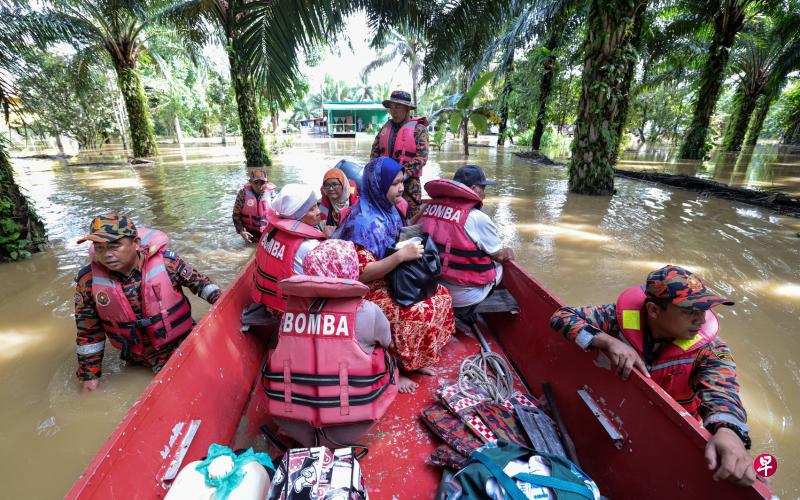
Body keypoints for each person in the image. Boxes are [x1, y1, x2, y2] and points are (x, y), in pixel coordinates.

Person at [549, 265, 756, 486]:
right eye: (689, 312)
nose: (702, 320)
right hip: (620, 411)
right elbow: (560, 317)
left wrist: (728, 430)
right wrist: (608, 341)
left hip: (668, 431)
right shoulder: (617, 318)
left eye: (703, 310)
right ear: (654, 310)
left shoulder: (711, 349)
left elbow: (722, 390)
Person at [333, 157, 455, 394]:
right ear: (378, 185)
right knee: (414, 312)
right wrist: (400, 257)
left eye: (402, 182)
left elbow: (396, 236)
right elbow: (362, 274)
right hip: (367, 290)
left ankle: (416, 360)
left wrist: (418, 219)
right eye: (395, 184)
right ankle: (393, 368)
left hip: (392, 277)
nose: (401, 188)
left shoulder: (390, 209)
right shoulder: (362, 222)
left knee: (441, 295)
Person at [264, 239, 398, 447]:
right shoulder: (368, 311)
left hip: (291, 423)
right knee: (384, 354)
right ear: (351, 269)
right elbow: (387, 342)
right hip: (351, 427)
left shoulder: (289, 310)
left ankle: (301, 431)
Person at [74, 214, 221, 391]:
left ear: (135, 243)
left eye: (114, 246)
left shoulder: (167, 263)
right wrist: (90, 377)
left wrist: (223, 305)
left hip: (183, 348)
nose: (107, 255)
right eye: (99, 248)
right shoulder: (88, 282)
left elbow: (202, 285)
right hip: (137, 360)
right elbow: (89, 332)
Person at [419, 165, 514, 316]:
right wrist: (509, 251)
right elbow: (500, 256)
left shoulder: (428, 208)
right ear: (474, 188)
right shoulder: (477, 218)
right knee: (498, 266)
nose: (484, 194)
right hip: (462, 297)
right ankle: (468, 310)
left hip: (430, 286)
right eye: (483, 189)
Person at [250, 184, 325, 316]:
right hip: (290, 310)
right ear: (297, 216)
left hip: (267, 300)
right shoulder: (309, 246)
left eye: (317, 205)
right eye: (311, 209)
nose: (318, 211)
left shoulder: (271, 230)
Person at [370, 90, 429, 222]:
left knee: (409, 221)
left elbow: (421, 158)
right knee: (385, 218)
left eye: (398, 107)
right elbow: (374, 154)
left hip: (409, 187)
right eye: (391, 107)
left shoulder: (419, 129)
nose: (394, 111)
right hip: (385, 185)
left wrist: (401, 175)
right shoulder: (385, 129)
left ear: (407, 108)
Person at [232, 168, 277, 243]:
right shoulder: (243, 194)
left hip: (268, 234)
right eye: (256, 183)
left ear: (267, 183)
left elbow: (279, 214)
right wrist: (241, 231)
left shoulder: (272, 194)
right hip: (250, 235)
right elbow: (236, 215)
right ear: (250, 182)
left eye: (262, 183)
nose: (259, 186)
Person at [319, 167, 359, 237]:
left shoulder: (356, 203)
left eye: (335, 184)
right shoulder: (321, 205)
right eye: (327, 185)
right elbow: (323, 224)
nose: (331, 189)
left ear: (343, 185)